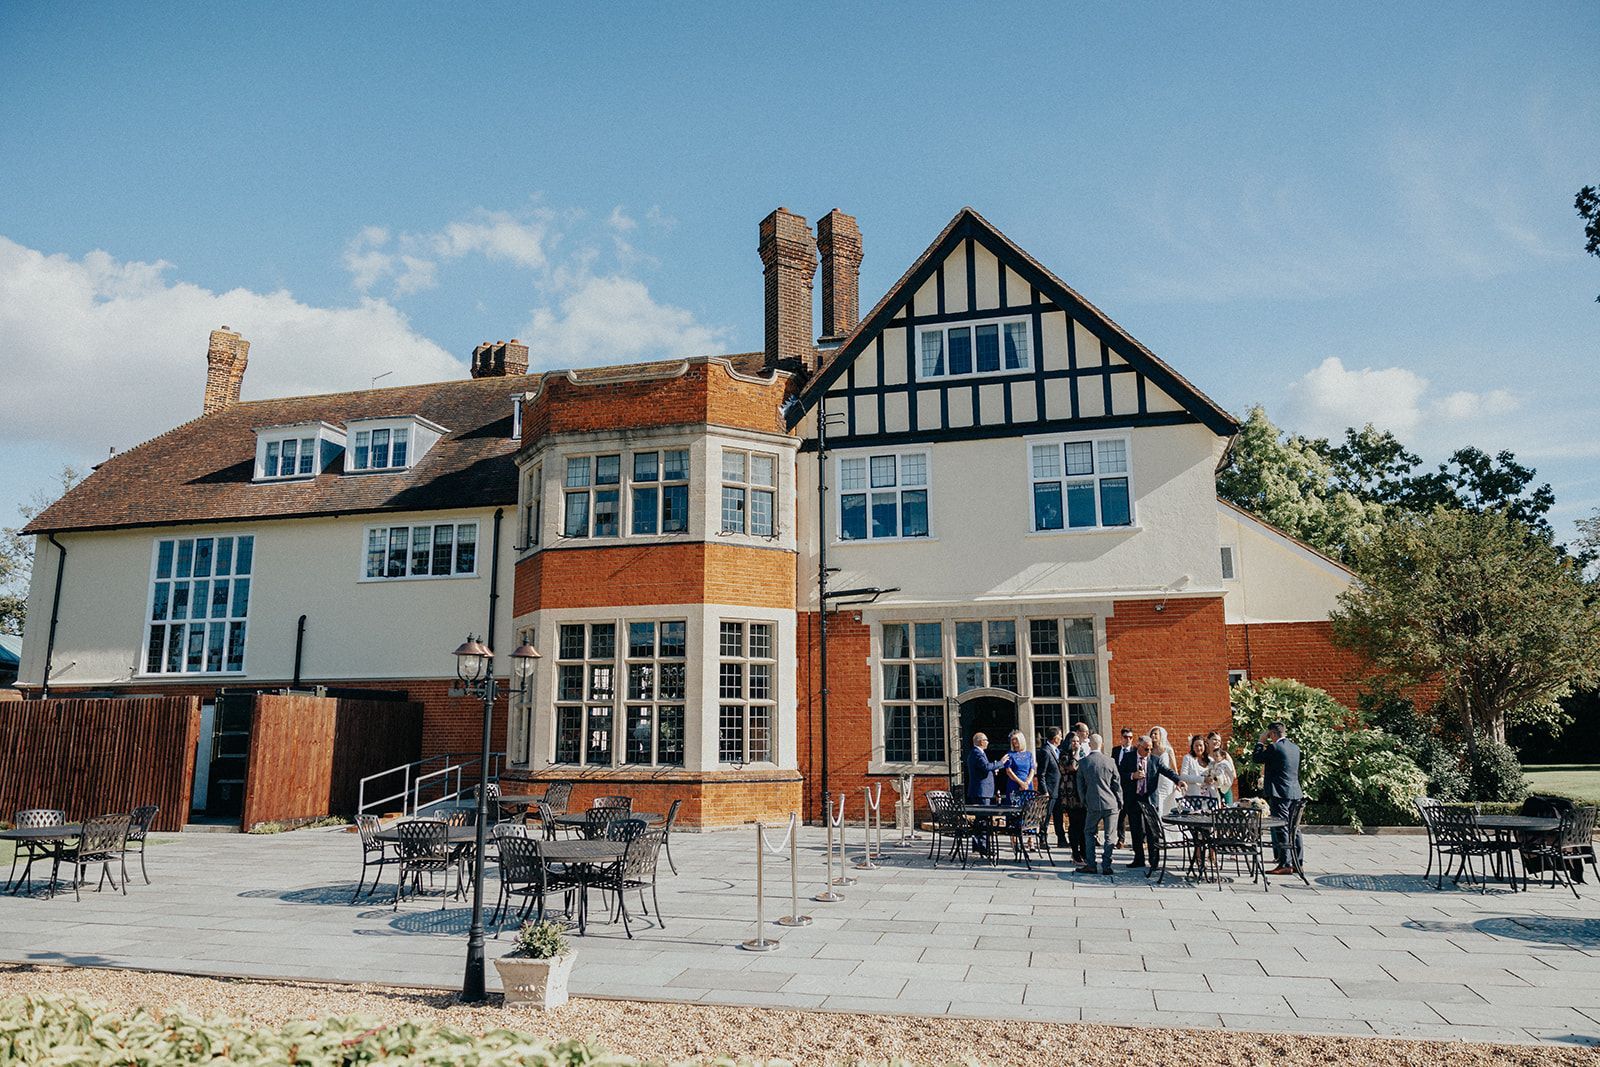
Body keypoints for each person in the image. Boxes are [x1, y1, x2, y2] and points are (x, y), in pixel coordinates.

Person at [1128, 734, 1186, 870]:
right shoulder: (1128, 758)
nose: (1149, 751)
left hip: (1149, 798)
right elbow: (1120, 773)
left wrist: (1178, 780)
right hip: (1133, 798)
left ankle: (1154, 860)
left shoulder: (1155, 760)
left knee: (1152, 829)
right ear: (1139, 746)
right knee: (1135, 829)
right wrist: (1132, 776)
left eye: (1150, 749)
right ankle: (1138, 858)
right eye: (1146, 749)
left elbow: (1167, 771)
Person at [1252, 721, 1304, 875]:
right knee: (1294, 828)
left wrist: (1260, 742)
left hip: (1280, 793)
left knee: (1282, 826)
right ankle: (1298, 863)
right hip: (1295, 792)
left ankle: (1285, 863)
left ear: (1273, 734)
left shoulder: (1274, 747)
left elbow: (1257, 758)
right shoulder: (1295, 748)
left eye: (1269, 735)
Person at [1075, 733, 1121, 876]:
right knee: (1110, 836)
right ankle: (1106, 865)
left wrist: (1084, 800)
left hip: (1093, 803)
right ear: (1102, 745)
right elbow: (1117, 784)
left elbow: (1080, 785)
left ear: (1090, 745)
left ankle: (1091, 864)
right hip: (1111, 803)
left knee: (1089, 833)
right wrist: (1120, 801)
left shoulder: (1084, 762)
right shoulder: (1110, 761)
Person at [965, 731, 1009, 856]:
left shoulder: (978, 753)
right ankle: (983, 847)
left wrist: (993, 769)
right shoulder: (977, 753)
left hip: (982, 791)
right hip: (981, 792)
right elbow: (985, 767)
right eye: (986, 740)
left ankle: (978, 845)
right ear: (980, 741)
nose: (988, 742)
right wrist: (1000, 763)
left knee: (981, 820)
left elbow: (983, 769)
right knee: (983, 820)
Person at [1036, 727, 1069, 850]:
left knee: (1058, 816)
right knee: (1046, 816)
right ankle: (1042, 839)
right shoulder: (1045, 751)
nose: (1061, 738)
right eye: (1060, 736)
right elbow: (1041, 774)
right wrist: (1044, 791)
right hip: (1049, 790)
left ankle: (1061, 839)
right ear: (1055, 738)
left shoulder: (1057, 750)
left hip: (1058, 789)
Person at [1111, 727, 1137, 848]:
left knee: (1133, 814)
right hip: (1119, 787)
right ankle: (1121, 839)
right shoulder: (1115, 751)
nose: (1128, 740)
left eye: (1130, 737)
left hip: (1131, 786)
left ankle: (1138, 839)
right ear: (1121, 738)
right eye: (1126, 737)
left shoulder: (1135, 751)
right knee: (1120, 814)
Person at [1148, 726, 1180, 818]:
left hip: (1167, 782)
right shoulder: (1149, 750)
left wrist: (1177, 781)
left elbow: (1173, 768)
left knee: (1167, 805)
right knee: (1157, 805)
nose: (1153, 736)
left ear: (1160, 736)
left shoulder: (1168, 750)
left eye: (1155, 734)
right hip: (1155, 781)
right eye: (1152, 734)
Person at [1001, 730, 1035, 803]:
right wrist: (1021, 783)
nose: (1014, 741)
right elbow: (1009, 771)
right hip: (1014, 784)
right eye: (1012, 739)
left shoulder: (1029, 755)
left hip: (1027, 785)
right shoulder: (1010, 755)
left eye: (1016, 739)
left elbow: (1032, 769)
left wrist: (1027, 782)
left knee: (1028, 806)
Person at [1205, 731, 1237, 804]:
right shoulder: (1205, 757)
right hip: (1210, 790)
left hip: (1224, 788)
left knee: (1227, 808)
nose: (1217, 742)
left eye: (1219, 741)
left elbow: (1234, 774)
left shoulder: (1225, 755)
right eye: (1215, 739)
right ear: (1208, 740)